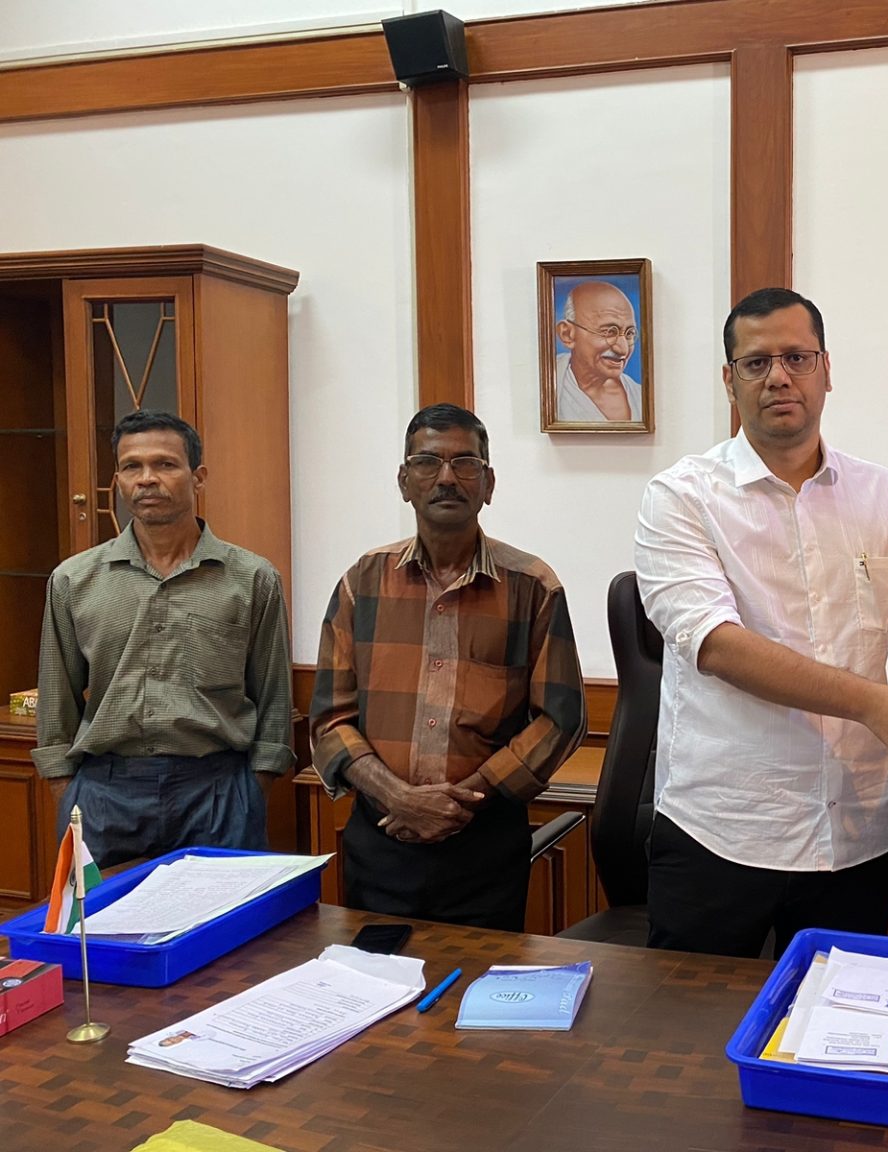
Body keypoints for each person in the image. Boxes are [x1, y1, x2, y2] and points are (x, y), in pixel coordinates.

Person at [635, 287, 888, 959]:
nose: (779, 377)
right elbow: (719, 646)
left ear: (826, 370)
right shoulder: (681, 496)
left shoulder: (880, 492)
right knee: (697, 1018)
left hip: (858, 828)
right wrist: (872, 703)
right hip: (725, 828)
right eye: (756, 363)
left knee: (841, 1015)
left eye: (797, 357)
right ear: (729, 381)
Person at [310, 403, 587, 930]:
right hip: (382, 838)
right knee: (376, 976)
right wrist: (399, 798)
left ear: (488, 483)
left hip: (484, 844)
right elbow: (329, 719)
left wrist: (463, 801)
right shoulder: (361, 583)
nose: (445, 478)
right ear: (404, 482)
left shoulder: (532, 588)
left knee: (479, 979)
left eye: (465, 463)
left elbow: (561, 719)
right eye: (427, 462)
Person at [32, 410, 293, 869]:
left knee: (224, 917)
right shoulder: (74, 580)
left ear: (198, 477)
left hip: (217, 791)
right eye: (132, 466)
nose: (147, 479)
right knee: (104, 917)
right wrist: (67, 791)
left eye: (165, 464)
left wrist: (254, 788)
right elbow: (57, 702)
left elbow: (273, 698)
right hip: (104, 794)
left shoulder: (252, 579)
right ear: (118, 481)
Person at [554, 280, 644, 422]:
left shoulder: (639, 396)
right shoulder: (549, 383)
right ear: (567, 334)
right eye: (609, 332)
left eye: (629, 334)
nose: (623, 349)